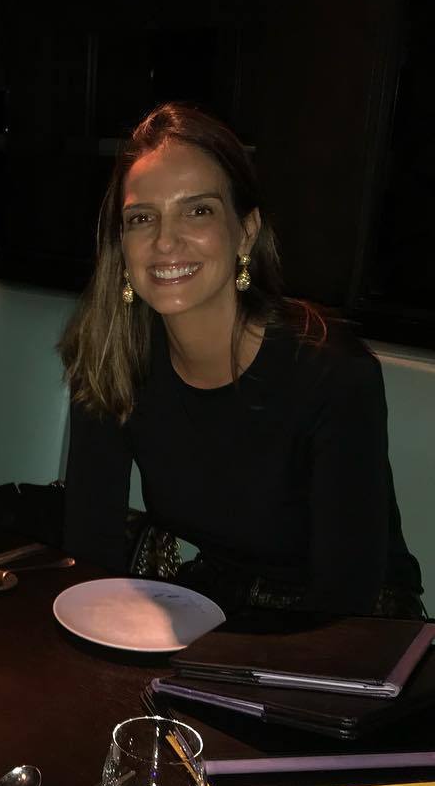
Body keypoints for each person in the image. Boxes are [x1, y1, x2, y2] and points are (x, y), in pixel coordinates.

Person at [58, 102, 423, 617]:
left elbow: (346, 599)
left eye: (198, 211)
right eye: (142, 218)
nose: (165, 240)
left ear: (246, 231)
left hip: (354, 626)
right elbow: (90, 550)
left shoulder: (331, 372)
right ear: (123, 244)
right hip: (218, 600)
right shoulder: (111, 357)